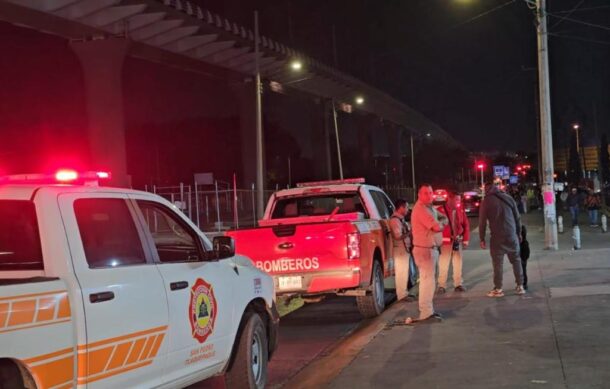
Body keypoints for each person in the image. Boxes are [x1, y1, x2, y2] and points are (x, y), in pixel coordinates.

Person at [479, 182, 525, 297]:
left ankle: (498, 289)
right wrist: (519, 233)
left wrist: (482, 238)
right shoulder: (508, 198)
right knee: (516, 260)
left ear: (487, 190)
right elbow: (517, 217)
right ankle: (520, 286)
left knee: (498, 264)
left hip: (497, 238)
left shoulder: (486, 202)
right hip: (511, 235)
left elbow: (482, 222)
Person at [410, 184, 448, 321]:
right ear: (419, 195)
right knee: (427, 282)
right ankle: (425, 312)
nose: (429, 195)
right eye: (425, 193)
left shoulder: (430, 208)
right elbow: (438, 226)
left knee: (429, 281)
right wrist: (441, 225)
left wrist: (441, 223)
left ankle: (428, 311)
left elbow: (444, 219)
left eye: (431, 192)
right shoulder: (420, 209)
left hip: (430, 249)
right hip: (424, 250)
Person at [436, 191, 470, 294]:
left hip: (457, 241)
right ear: (450, 199)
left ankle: (458, 284)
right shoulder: (439, 211)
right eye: (456, 200)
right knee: (443, 264)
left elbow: (466, 225)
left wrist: (465, 239)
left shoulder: (460, 210)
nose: (458, 202)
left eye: (459, 200)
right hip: (445, 242)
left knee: (458, 264)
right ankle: (441, 285)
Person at [389, 198, 411, 301]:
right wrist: (410, 232)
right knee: (401, 272)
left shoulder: (400, 219)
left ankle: (404, 293)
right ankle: (401, 295)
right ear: (401, 208)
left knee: (404, 271)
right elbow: (398, 236)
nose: (407, 209)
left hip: (404, 249)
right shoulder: (395, 220)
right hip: (400, 249)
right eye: (406, 207)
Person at [520, 225, 530, 290]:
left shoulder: (524, 243)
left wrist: (524, 259)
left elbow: (527, 253)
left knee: (523, 271)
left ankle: (524, 284)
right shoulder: (525, 242)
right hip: (523, 259)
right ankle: (523, 283)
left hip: (522, 259)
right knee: (523, 271)